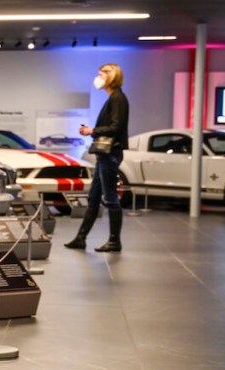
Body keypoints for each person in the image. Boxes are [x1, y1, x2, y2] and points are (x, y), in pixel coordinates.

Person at [65, 63, 129, 252]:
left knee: (110, 197)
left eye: (101, 74)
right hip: (105, 155)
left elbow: (116, 127)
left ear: (111, 77)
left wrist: (92, 131)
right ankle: (81, 238)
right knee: (94, 197)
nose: (98, 78)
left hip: (110, 154)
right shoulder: (114, 98)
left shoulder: (117, 99)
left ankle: (114, 241)